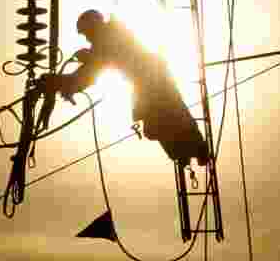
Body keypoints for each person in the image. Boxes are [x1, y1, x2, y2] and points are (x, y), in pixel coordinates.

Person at [46, 9, 210, 167]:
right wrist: (76, 73)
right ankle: (187, 152)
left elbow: (92, 71)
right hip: (152, 82)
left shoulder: (109, 38)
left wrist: (63, 82)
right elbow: (99, 63)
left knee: (164, 120)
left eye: (87, 34)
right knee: (162, 122)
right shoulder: (112, 35)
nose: (88, 39)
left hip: (153, 84)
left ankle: (192, 150)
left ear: (93, 27)